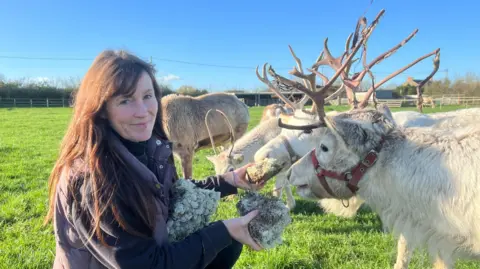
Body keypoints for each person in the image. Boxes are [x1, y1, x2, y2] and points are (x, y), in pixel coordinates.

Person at [44, 49, 266, 269]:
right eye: (125, 101)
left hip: (148, 255)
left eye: (148, 96)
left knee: (226, 246)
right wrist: (224, 230)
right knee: (223, 239)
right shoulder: (94, 179)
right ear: (101, 109)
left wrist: (230, 181)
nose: (143, 111)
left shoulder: (146, 149)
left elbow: (169, 193)